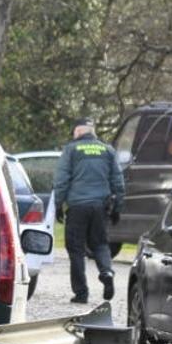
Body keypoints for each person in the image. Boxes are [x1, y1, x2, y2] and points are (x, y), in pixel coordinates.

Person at [52, 117, 125, 304]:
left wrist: (58, 205)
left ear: (77, 132)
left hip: (77, 206)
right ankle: (107, 272)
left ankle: (81, 293)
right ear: (92, 132)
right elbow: (118, 181)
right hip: (100, 206)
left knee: (76, 249)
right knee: (100, 243)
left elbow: (61, 180)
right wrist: (117, 207)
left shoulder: (71, 150)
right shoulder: (107, 150)